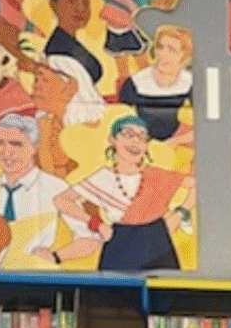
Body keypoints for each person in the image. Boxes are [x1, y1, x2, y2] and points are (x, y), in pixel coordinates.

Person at [47, 114, 193, 270]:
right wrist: (96, 224)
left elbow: (197, 185)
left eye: (142, 137)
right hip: (120, 242)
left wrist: (180, 213)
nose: (135, 141)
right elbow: (61, 200)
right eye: (128, 135)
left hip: (157, 241)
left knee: (162, 291)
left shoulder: (156, 174)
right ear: (113, 140)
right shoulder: (103, 177)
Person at [0, 113, 92, 265]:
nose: (6, 152)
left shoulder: (56, 188)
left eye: (16, 144)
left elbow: (89, 237)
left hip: (34, 274)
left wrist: (56, 257)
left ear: (34, 148)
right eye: (0, 143)